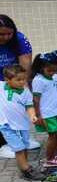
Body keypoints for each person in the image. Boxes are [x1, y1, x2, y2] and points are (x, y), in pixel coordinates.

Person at [0, 65, 45, 180]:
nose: (22, 82)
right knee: (19, 148)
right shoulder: (1, 87)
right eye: (18, 80)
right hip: (7, 126)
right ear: (7, 80)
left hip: (22, 125)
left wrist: (33, 116)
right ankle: (27, 170)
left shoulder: (25, 92)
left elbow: (29, 106)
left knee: (24, 146)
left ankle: (23, 167)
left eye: (23, 79)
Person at [0, 15, 36, 158]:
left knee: (18, 109)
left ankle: (22, 139)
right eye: (1, 34)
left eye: (9, 33)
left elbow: (25, 67)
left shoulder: (20, 40)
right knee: (3, 115)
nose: (6, 37)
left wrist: (24, 89)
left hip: (15, 79)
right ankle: (5, 143)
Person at [31, 52, 57, 168]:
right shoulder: (38, 80)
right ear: (41, 68)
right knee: (52, 136)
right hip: (47, 114)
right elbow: (36, 99)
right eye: (50, 71)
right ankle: (49, 159)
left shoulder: (49, 78)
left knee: (56, 135)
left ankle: (55, 155)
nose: (52, 73)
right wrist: (38, 115)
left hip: (54, 112)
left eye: (54, 71)